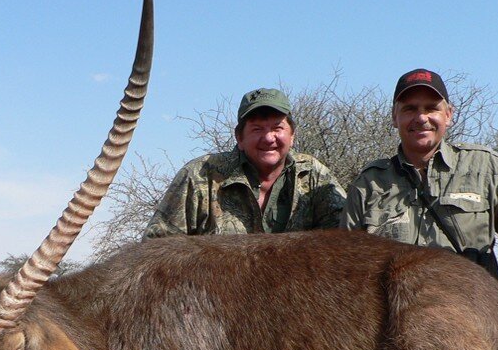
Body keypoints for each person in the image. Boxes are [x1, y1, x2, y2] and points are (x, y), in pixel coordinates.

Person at [341, 68, 498, 274]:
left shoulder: (488, 168)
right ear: (394, 117)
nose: (421, 118)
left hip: (471, 306)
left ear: (448, 115)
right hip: (394, 307)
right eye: (410, 109)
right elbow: (345, 265)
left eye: (431, 108)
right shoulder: (369, 183)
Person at [143, 88, 346, 238]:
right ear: (239, 138)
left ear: (292, 136)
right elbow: (157, 248)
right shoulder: (200, 175)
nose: (268, 138)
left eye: (277, 128)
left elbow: (346, 237)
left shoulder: (314, 175)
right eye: (257, 129)